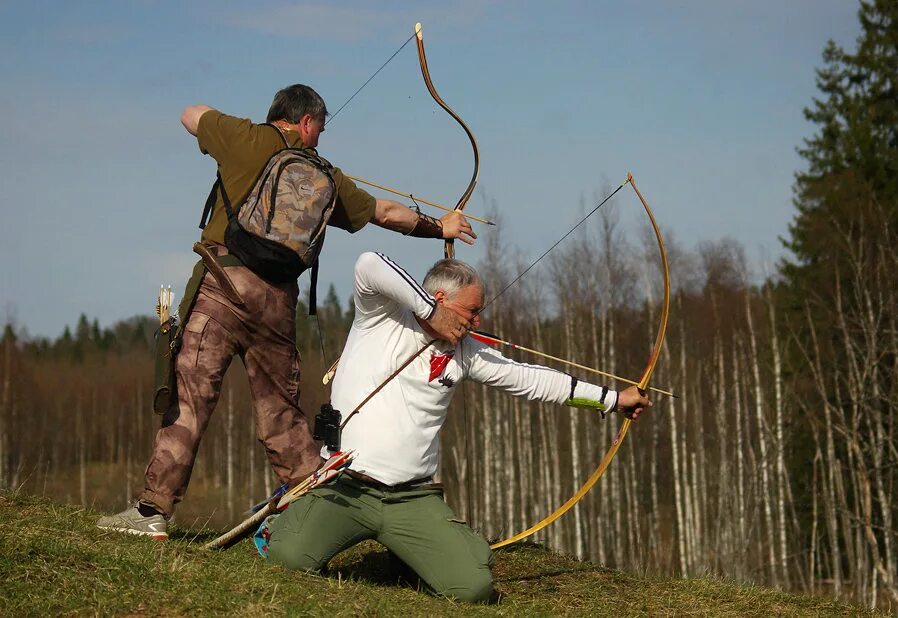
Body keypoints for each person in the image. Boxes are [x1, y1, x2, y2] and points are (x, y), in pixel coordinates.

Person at [97, 84, 477, 540]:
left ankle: (151, 513)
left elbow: (189, 113)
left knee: (191, 399)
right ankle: (309, 517)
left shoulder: (244, 137)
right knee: (280, 414)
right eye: (321, 126)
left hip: (222, 286)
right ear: (307, 122)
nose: (320, 135)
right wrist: (441, 227)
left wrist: (227, 130)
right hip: (276, 306)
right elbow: (386, 213)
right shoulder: (327, 176)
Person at [261, 251, 652, 603]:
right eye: (471, 311)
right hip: (346, 488)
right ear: (441, 301)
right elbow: (367, 263)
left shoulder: (465, 353)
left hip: (411, 498)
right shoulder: (380, 318)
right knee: (287, 557)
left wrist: (613, 400)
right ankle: (283, 519)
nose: (477, 320)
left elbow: (533, 380)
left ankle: (414, 552)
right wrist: (430, 313)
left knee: (471, 587)